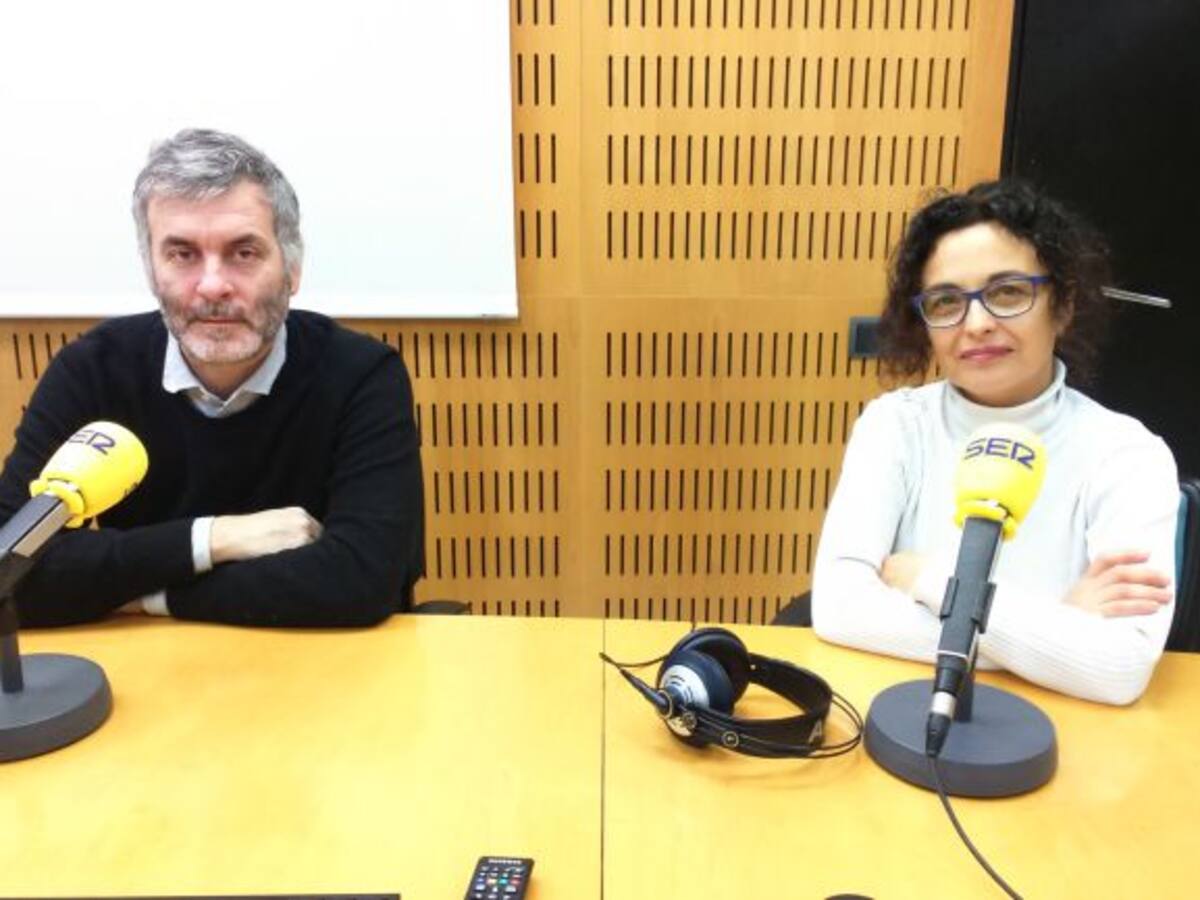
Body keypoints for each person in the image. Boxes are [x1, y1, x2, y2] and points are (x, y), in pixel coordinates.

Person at [0, 129, 423, 628]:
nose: (213, 285)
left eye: (244, 253)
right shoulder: (92, 370)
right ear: (150, 270)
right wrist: (212, 538)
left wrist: (142, 594)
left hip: (324, 660)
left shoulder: (362, 374)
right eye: (182, 254)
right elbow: (12, 566)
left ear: (291, 268)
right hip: (154, 664)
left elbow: (362, 580)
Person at [811, 179, 1177, 705]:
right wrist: (1058, 626)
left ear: (1063, 305)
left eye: (1008, 293)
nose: (977, 323)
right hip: (902, 708)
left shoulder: (1128, 455)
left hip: (1063, 729)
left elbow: (1120, 669)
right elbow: (839, 609)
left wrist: (927, 579)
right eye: (946, 301)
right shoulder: (894, 425)